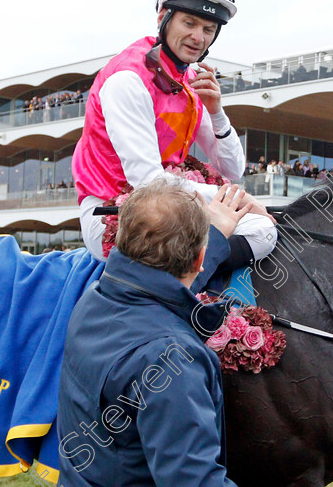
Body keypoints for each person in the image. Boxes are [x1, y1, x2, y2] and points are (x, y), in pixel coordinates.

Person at [72, 0, 276, 269]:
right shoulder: (127, 79)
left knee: (262, 230)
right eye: (189, 23)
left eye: (208, 29)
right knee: (256, 230)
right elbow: (148, 181)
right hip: (111, 211)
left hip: (170, 203)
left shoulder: (190, 79)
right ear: (163, 18)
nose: (198, 37)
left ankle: (205, 295)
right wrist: (239, 201)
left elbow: (232, 168)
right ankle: (187, 305)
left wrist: (217, 112)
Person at [57, 179, 246, 485]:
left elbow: (162, 287)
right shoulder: (172, 360)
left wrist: (216, 236)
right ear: (199, 259)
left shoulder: (96, 297)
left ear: (122, 239)